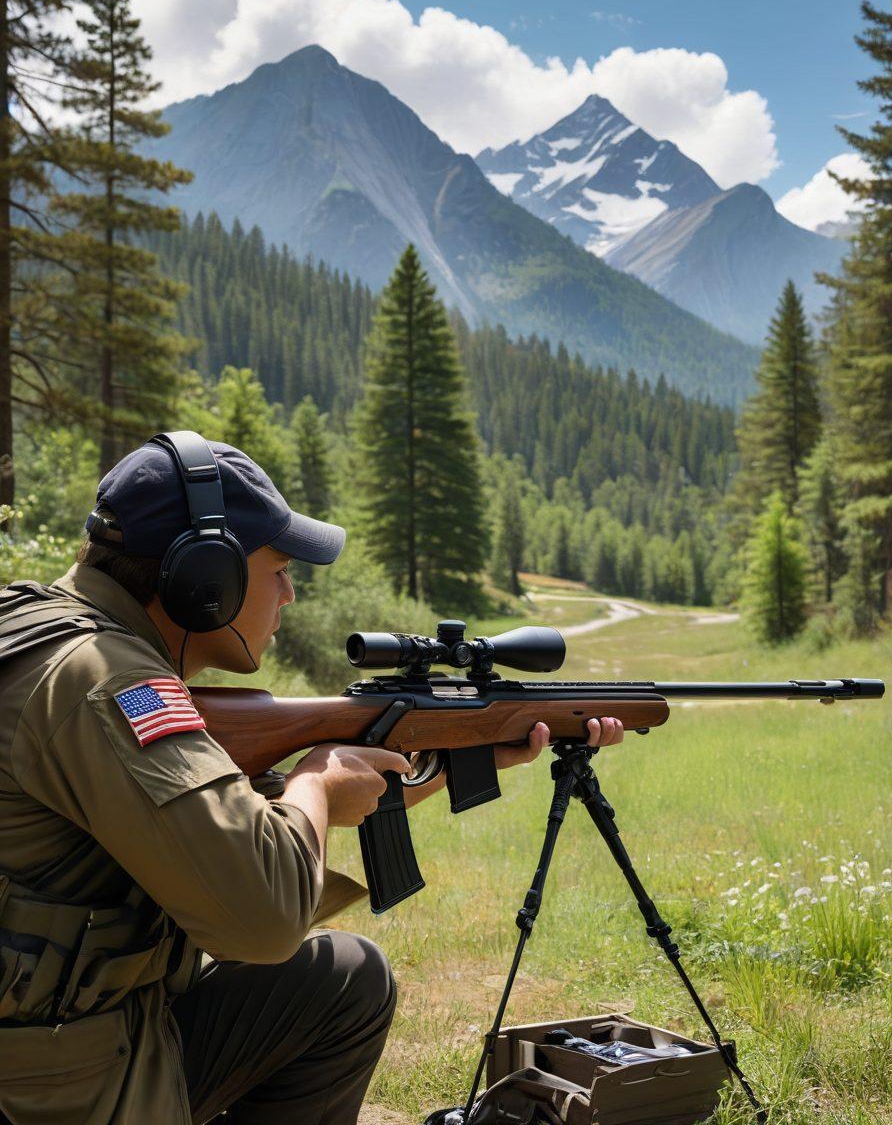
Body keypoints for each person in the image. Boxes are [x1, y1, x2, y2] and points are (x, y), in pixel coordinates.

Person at [0, 431, 624, 1125]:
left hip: (59, 1038)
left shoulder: (37, 628)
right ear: (207, 580)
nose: (290, 595)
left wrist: (449, 762)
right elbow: (262, 918)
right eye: (279, 571)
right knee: (342, 980)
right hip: (54, 1087)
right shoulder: (111, 683)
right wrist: (317, 787)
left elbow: (196, 817)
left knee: (343, 980)